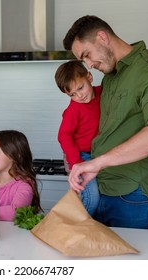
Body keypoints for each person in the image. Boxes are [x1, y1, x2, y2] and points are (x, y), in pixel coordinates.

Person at [63, 15, 148, 229]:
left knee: (129, 263)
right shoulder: (110, 77)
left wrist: (98, 162)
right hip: (103, 187)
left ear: (102, 37)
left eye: (87, 54)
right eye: (83, 60)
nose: (88, 64)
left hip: (134, 194)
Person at [55, 60, 101, 216]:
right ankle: (81, 227)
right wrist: (76, 162)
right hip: (81, 156)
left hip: (99, 155)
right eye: (72, 94)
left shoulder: (104, 93)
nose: (79, 96)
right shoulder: (73, 110)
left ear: (89, 76)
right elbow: (63, 135)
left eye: (81, 88)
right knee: (92, 197)